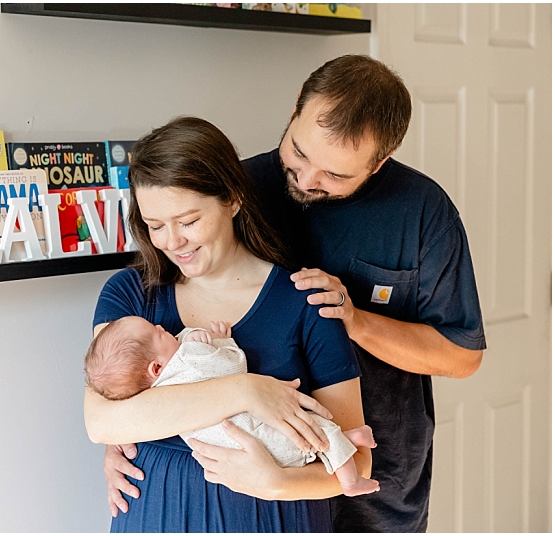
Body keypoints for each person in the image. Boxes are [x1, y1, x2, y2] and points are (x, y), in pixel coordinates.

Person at [103, 55, 487, 532]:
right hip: (253, 480)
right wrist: (127, 431)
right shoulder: (237, 189)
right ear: (293, 112)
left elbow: (462, 357)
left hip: (376, 469)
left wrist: (355, 318)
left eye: (336, 176)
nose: (306, 181)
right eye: (299, 154)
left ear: (379, 163)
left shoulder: (422, 211)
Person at [85, 116, 369, 532]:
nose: (171, 241)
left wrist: (278, 483)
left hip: (272, 518)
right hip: (157, 515)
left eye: (188, 221)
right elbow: (103, 421)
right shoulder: (131, 295)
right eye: (155, 225)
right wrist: (247, 391)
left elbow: (359, 457)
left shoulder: (305, 302)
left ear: (233, 199)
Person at [84, 315, 380, 497]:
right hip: (256, 440)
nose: (163, 327)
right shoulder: (188, 358)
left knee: (313, 435)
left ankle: (348, 447)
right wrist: (222, 342)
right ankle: (349, 478)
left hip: (245, 452)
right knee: (311, 431)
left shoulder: (155, 387)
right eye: (158, 333)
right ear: (156, 368)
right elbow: (232, 366)